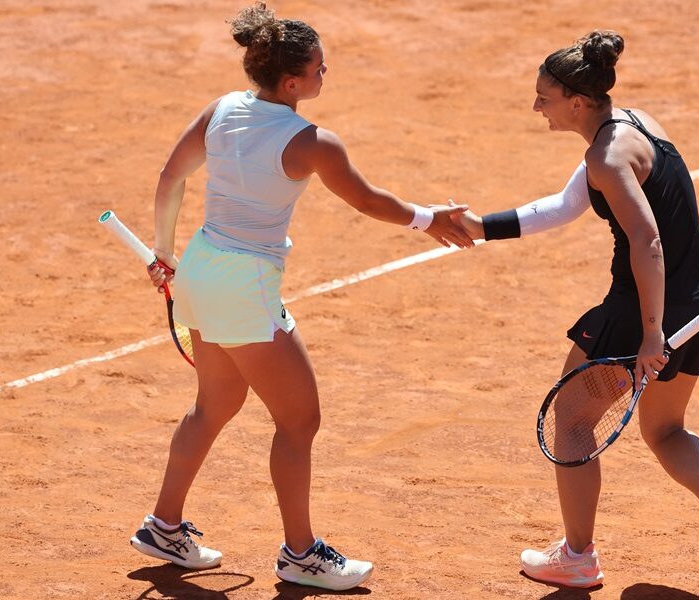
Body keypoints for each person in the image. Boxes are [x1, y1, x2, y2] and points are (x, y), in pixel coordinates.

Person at [127, 2, 472, 591]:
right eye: (318, 68)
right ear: (291, 82)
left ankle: (164, 525)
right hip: (243, 287)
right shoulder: (311, 142)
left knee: (213, 407)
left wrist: (163, 253)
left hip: (201, 271)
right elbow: (367, 201)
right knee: (299, 419)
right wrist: (428, 217)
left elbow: (170, 177)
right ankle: (300, 554)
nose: (323, 73)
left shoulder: (221, 110)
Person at [451, 31, 699, 588]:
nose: (536, 107)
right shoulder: (634, 126)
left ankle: (577, 555)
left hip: (641, 313)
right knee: (666, 430)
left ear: (576, 101)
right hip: (696, 308)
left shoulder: (606, 157)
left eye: (544, 96)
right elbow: (567, 205)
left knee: (569, 420)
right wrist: (482, 227)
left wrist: (648, 335)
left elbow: (648, 243)